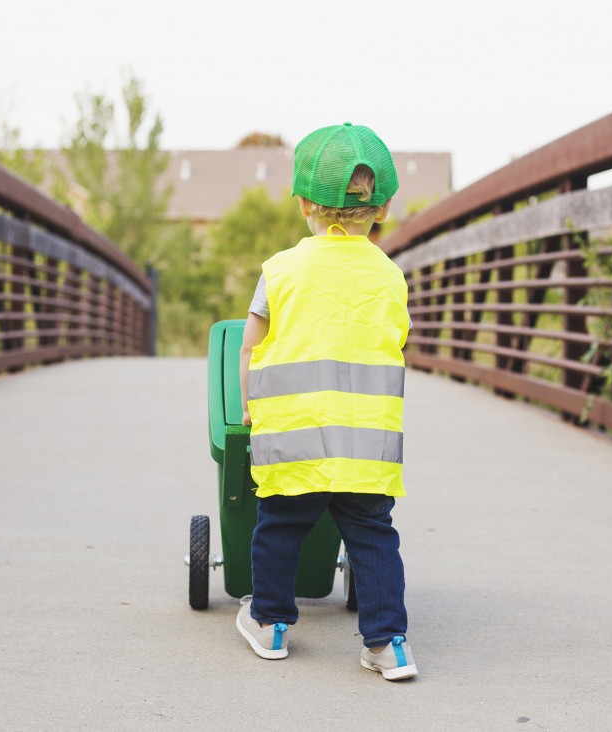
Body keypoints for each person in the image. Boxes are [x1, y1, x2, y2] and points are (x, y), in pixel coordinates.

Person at [236, 123, 417, 681]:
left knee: (280, 526)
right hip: (366, 442)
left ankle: (269, 624)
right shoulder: (391, 277)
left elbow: (252, 343)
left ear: (304, 202)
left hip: (294, 432)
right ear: (382, 207)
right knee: (373, 534)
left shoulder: (281, 270)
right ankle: (388, 645)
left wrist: (251, 405)